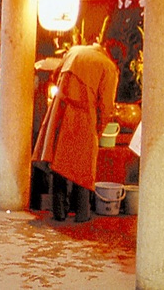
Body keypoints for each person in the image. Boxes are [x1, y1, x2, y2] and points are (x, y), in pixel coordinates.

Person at [32, 39, 119, 223]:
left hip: (61, 111)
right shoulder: (108, 66)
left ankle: (59, 212)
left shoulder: (74, 51)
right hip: (84, 115)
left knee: (59, 163)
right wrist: (100, 128)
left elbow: (55, 76)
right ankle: (82, 214)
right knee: (83, 168)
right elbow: (106, 104)